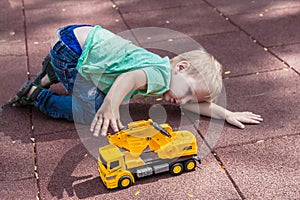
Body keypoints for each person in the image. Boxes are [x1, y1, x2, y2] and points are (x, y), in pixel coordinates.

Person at [9, 24, 263, 136]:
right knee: (92, 111)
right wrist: (109, 105)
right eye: (185, 92)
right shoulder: (162, 75)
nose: (181, 101)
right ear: (181, 68)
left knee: (106, 90)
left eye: (188, 98)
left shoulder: (169, 74)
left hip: (77, 37)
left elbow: (192, 104)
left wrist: (227, 114)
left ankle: (53, 70)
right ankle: (37, 95)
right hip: (73, 51)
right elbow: (129, 78)